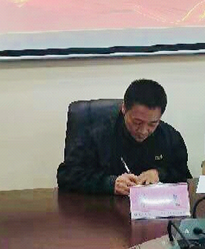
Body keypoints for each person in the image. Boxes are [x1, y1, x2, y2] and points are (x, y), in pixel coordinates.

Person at [57, 79, 191, 195]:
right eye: (137, 122)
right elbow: (66, 175)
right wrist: (109, 183)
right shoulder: (97, 135)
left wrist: (159, 174)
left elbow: (183, 175)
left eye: (152, 124)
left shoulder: (169, 136)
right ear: (124, 109)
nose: (143, 131)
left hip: (153, 211)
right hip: (103, 211)